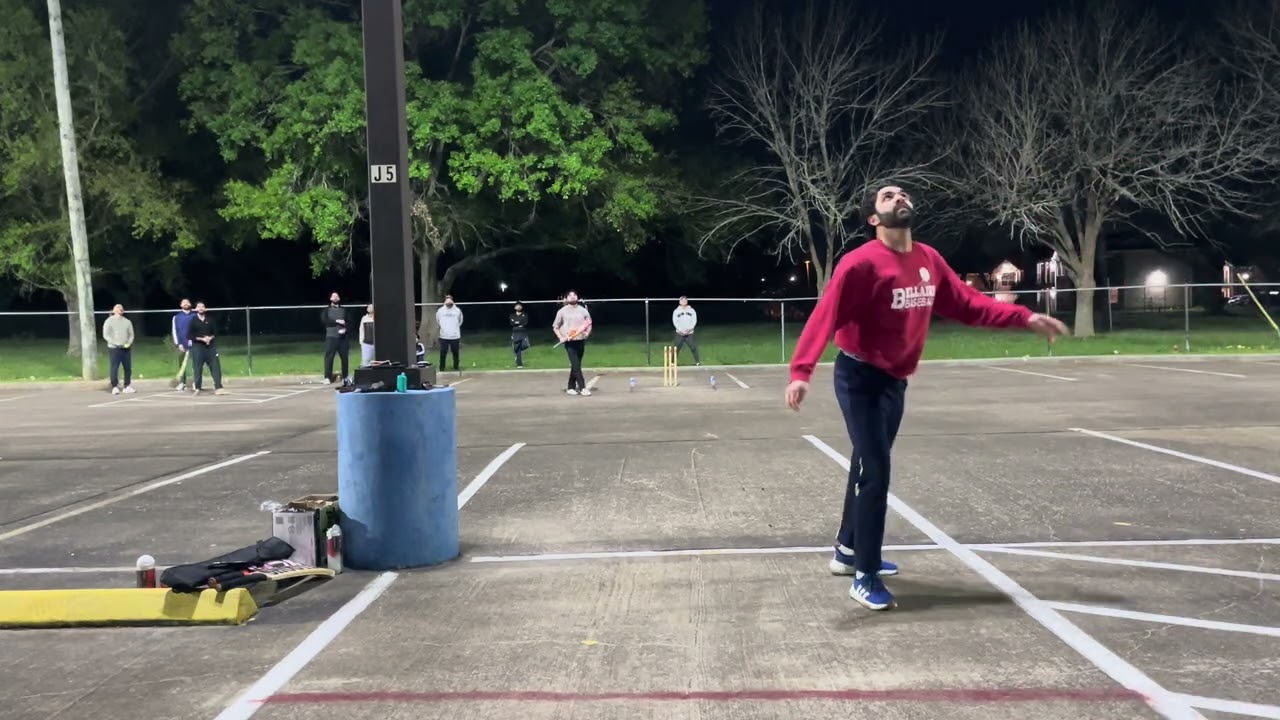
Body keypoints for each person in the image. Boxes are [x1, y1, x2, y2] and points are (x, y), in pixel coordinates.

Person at [785, 184, 1067, 611]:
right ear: (874, 219)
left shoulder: (928, 260)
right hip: (859, 377)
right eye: (887, 197)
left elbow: (969, 305)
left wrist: (1024, 317)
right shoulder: (860, 265)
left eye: (902, 193)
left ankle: (846, 550)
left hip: (895, 380)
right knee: (876, 469)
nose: (899, 198)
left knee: (866, 462)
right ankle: (864, 575)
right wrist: (801, 371)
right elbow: (825, 316)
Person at [553, 290, 592, 395]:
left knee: (576, 365)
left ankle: (570, 387)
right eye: (570, 295)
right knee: (576, 365)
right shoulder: (562, 311)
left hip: (580, 341)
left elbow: (588, 323)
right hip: (569, 342)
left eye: (574, 295)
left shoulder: (583, 310)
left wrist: (587, 333)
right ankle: (582, 387)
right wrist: (561, 337)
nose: (572, 297)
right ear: (566, 298)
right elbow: (555, 326)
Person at [188, 301, 229, 395]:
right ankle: (197, 387)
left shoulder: (210, 320)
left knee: (215, 366)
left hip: (210, 347)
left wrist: (209, 338)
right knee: (197, 367)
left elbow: (215, 332)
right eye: (199, 307)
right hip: (198, 347)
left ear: (205, 309)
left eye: (203, 306)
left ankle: (218, 387)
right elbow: (190, 335)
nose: (201, 308)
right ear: (196, 309)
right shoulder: (193, 321)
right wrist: (201, 339)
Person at [102, 304, 136, 395]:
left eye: (120, 309)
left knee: (127, 368)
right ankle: (115, 386)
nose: (118, 311)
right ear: (113, 311)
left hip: (125, 348)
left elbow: (131, 334)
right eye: (116, 309)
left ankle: (127, 385)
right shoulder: (108, 321)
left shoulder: (127, 322)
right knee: (114, 367)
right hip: (114, 348)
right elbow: (106, 335)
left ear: (122, 311)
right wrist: (114, 343)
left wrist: (128, 343)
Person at [321, 292, 350, 383]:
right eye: (333, 296)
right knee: (329, 357)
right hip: (331, 337)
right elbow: (325, 321)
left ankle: (345, 377)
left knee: (344, 357)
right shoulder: (327, 310)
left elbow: (349, 321)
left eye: (337, 296)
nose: (335, 297)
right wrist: (337, 321)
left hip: (343, 338)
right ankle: (327, 377)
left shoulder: (343, 310)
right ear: (330, 299)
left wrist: (345, 328)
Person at [171, 298, 195, 391]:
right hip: (182, 345)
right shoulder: (176, 317)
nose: (186, 304)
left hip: (194, 344)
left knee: (195, 364)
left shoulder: (195, 315)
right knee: (182, 364)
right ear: (181, 305)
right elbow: (175, 331)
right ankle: (182, 383)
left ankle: (196, 382)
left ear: (190, 304)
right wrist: (178, 344)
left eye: (187, 302)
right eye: (183, 303)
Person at [672, 295, 702, 365]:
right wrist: (680, 330)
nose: (684, 301)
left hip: (689, 333)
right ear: (680, 302)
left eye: (685, 300)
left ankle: (697, 362)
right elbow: (675, 321)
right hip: (680, 333)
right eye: (682, 300)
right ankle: (672, 362)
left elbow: (694, 320)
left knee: (693, 347)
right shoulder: (676, 311)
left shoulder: (692, 310)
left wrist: (689, 329)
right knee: (676, 348)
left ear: (687, 301)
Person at [435, 295, 463, 371]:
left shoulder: (457, 310)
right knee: (443, 353)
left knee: (455, 353)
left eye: (450, 300)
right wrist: (443, 328)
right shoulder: (440, 310)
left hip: (455, 336)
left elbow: (460, 321)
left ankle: (456, 367)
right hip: (444, 336)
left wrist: (454, 329)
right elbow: (437, 320)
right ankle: (442, 367)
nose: (449, 302)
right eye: (447, 300)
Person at [509, 302, 530, 368]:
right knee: (517, 348)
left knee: (525, 345)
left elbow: (525, 323)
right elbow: (512, 323)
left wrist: (517, 322)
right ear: (515, 307)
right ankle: (519, 364)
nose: (518, 307)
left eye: (520, 306)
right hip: (515, 332)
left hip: (523, 332)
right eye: (517, 306)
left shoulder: (525, 315)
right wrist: (519, 323)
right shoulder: (512, 315)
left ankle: (518, 355)